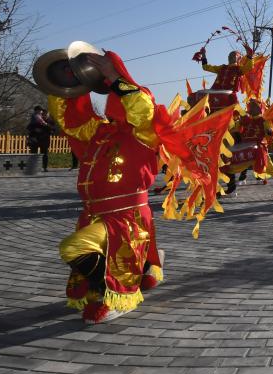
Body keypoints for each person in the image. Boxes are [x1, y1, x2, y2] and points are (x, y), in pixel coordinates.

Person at [48, 53, 166, 324]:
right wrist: (63, 83)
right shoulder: (101, 132)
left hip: (125, 218)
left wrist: (114, 78)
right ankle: (148, 263)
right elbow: (72, 122)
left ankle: (111, 294)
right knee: (102, 255)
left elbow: (143, 110)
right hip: (95, 214)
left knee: (72, 248)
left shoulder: (144, 134)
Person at [223, 98, 273, 199]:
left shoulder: (264, 122)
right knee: (228, 166)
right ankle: (231, 190)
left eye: (252, 106)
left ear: (259, 108)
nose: (249, 108)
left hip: (258, 150)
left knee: (272, 170)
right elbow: (234, 129)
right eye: (249, 106)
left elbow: (271, 136)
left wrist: (270, 133)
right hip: (244, 149)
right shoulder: (245, 120)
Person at [195, 48, 253, 113]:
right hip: (216, 95)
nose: (230, 57)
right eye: (229, 56)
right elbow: (205, 67)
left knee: (234, 113)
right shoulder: (222, 67)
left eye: (233, 55)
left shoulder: (239, 69)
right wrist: (203, 55)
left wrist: (249, 56)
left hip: (229, 97)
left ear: (238, 58)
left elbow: (249, 67)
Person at [27, 105, 52, 171]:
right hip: (35, 139)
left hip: (44, 139)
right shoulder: (34, 118)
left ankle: (45, 167)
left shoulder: (48, 121)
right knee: (33, 153)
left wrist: (46, 126)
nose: (41, 113)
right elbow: (29, 127)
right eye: (40, 111)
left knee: (44, 154)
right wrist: (35, 129)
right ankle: (33, 167)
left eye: (42, 112)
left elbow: (52, 129)